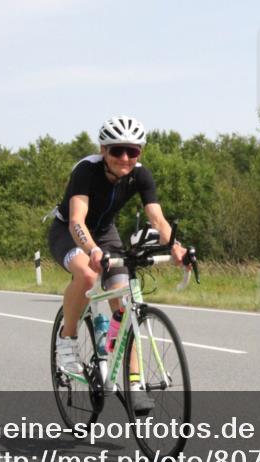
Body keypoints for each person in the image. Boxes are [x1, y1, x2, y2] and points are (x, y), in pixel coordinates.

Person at [47, 115, 186, 410]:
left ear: (140, 153)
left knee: (125, 305)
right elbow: (76, 221)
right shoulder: (86, 170)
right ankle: (67, 338)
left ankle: (133, 381)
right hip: (69, 233)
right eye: (117, 150)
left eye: (132, 151)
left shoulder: (140, 175)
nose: (125, 157)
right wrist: (93, 250)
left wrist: (176, 247)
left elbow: (157, 218)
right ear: (103, 150)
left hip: (106, 234)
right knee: (86, 275)